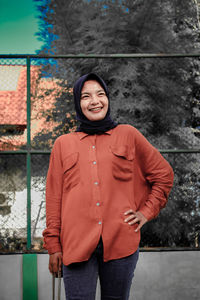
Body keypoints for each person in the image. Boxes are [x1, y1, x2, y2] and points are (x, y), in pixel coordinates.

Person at [43, 73, 174, 300]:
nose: (95, 101)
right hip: (75, 245)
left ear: (107, 99)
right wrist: (54, 246)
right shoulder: (63, 145)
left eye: (100, 94)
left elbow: (163, 175)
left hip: (121, 242)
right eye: (86, 96)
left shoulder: (128, 135)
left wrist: (146, 212)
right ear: (77, 102)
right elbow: (54, 197)